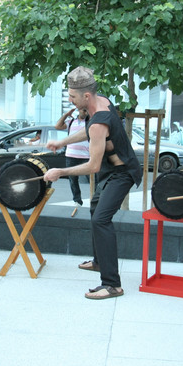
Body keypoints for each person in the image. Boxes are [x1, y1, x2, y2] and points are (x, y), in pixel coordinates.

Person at [44, 66, 142, 299]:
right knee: (96, 207)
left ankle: (112, 285)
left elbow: (93, 166)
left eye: (72, 96)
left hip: (123, 172)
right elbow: (91, 132)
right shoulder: (102, 101)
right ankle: (100, 262)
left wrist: (60, 171)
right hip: (111, 170)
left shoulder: (99, 119)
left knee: (101, 219)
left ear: (86, 96)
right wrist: (63, 142)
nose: (70, 99)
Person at [55, 107, 90, 213]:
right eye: (83, 110)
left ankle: (96, 200)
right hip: (71, 155)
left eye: (86, 110)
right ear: (79, 110)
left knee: (93, 180)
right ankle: (77, 201)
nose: (85, 111)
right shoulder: (71, 122)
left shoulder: (90, 122)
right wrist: (66, 114)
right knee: (73, 180)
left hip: (87, 156)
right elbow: (57, 126)